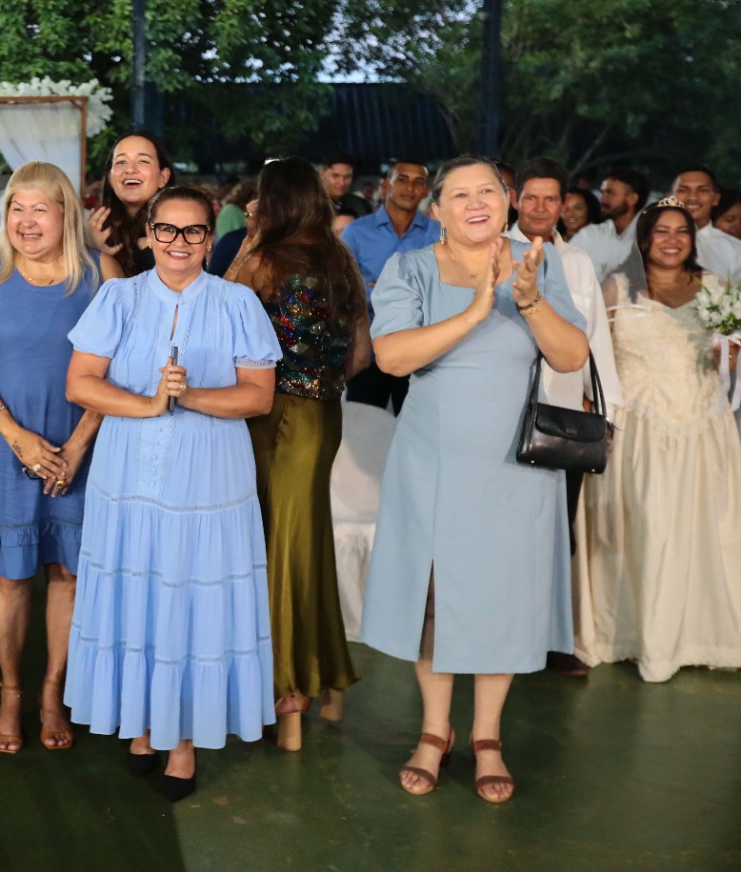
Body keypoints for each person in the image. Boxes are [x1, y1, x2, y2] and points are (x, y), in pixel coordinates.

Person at [360, 156, 588, 805]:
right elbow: (391, 356)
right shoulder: (409, 268)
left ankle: (488, 736)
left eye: (487, 190)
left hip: (514, 466)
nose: (476, 202)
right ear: (437, 210)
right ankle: (436, 730)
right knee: (432, 601)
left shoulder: (537, 262)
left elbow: (571, 355)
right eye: (460, 194)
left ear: (508, 200)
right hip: (432, 463)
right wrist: (477, 309)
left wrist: (528, 298)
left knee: (502, 599)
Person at [64, 186, 280, 801]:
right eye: (167, 230)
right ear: (149, 234)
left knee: (190, 596)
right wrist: (149, 404)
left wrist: (189, 397)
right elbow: (80, 383)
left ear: (210, 239)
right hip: (128, 477)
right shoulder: (119, 297)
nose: (178, 243)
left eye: (193, 232)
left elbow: (259, 396)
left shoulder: (238, 302)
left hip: (209, 481)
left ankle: (182, 738)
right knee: (138, 590)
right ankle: (141, 720)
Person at [0, 161, 119, 756]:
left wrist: (78, 444)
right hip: (6, 444)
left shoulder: (102, 273)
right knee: (11, 573)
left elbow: (122, 367)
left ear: (65, 213)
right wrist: (15, 434)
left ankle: (53, 690)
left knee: (67, 572)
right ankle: (11, 690)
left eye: (39, 208)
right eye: (16, 208)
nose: (26, 221)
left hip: (82, 444)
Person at [225, 160, 369, 752]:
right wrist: (320, 380)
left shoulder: (263, 262)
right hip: (322, 415)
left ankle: (286, 691)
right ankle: (321, 678)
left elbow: (219, 316)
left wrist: (249, 239)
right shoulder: (342, 262)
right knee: (304, 542)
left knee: (275, 548)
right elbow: (361, 356)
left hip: (269, 416)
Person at [579, 200, 741, 682]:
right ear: (644, 238)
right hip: (639, 431)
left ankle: (699, 634)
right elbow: (594, 361)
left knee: (706, 528)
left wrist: (731, 355)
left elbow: (728, 357)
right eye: (662, 231)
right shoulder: (616, 288)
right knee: (643, 530)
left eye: (682, 232)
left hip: (702, 428)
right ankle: (635, 634)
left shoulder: (717, 289)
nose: (672, 240)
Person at [508, 160, 624, 677]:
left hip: (563, 417)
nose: (539, 208)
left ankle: (553, 639)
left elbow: (596, 339)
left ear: (564, 205)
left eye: (550, 199)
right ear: (515, 199)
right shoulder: (493, 251)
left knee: (560, 529)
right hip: (502, 410)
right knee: (504, 527)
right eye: (530, 197)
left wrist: (607, 411)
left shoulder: (577, 263)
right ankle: (498, 633)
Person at [341, 158, 439, 413]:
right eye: (402, 180)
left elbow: (445, 288)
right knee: (362, 426)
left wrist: (383, 290)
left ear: (426, 191)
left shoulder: (439, 235)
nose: (410, 188)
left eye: (418, 182)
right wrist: (383, 292)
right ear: (386, 186)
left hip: (420, 354)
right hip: (367, 352)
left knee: (418, 428)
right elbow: (340, 288)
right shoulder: (356, 232)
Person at [88, 130, 174, 277]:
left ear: (163, 177)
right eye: (121, 162)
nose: (130, 170)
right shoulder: (94, 232)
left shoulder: (180, 230)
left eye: (143, 161)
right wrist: (91, 253)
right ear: (110, 178)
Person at [572, 169, 651, 281]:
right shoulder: (590, 234)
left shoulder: (650, 236)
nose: (602, 199)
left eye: (610, 193)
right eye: (602, 193)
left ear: (632, 199)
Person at [671, 167, 741, 284]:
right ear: (671, 197)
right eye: (683, 190)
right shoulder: (650, 242)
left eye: (702, 190)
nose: (692, 197)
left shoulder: (735, 250)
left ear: (715, 199)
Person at [319, 153, 372, 218]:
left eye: (347, 177)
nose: (342, 182)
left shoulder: (361, 206)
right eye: (335, 176)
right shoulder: (310, 204)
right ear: (322, 174)